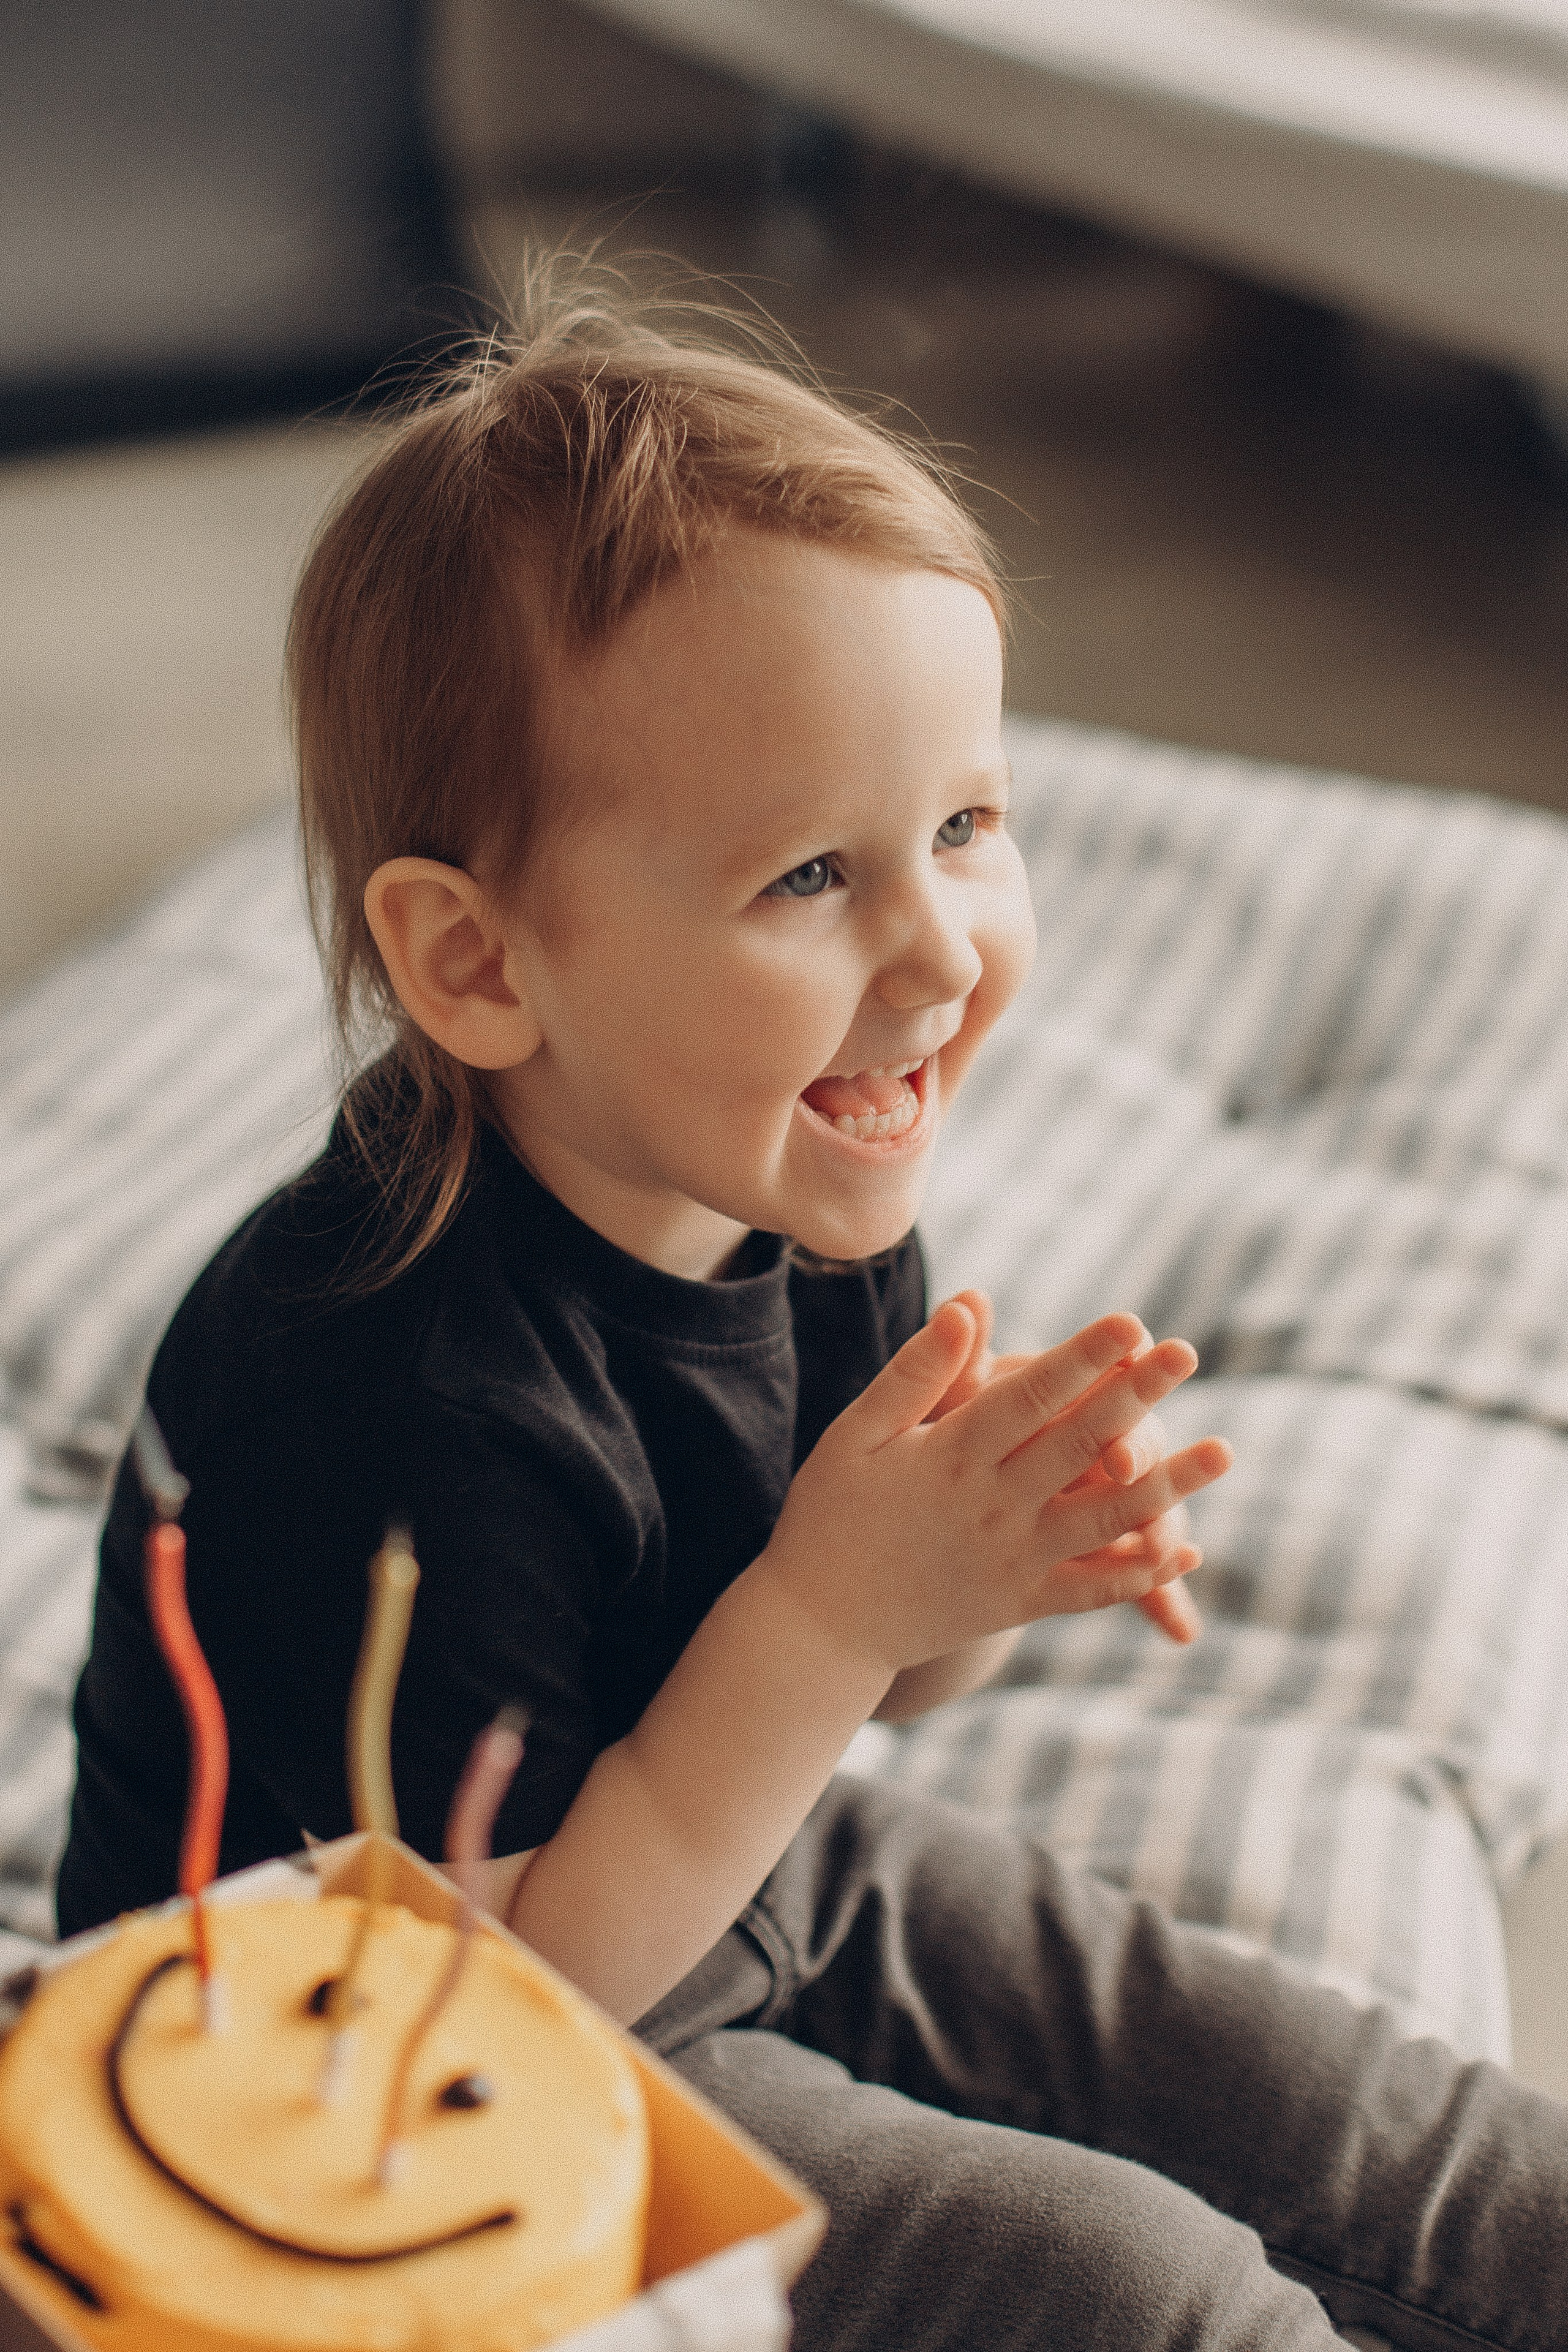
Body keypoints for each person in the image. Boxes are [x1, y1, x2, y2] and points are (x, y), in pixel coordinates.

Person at [59, 283, 1568, 2350]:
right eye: (808, 878)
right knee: (1127, 2292)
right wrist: (837, 1616)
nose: (941, 950)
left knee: (1350, 2113)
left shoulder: (807, 1179)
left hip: (718, 1849)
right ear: (481, 965)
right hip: (342, 2099)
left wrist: (965, 1570)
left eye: (965, 827)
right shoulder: (382, 1384)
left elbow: (857, 1713)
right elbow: (498, 2007)